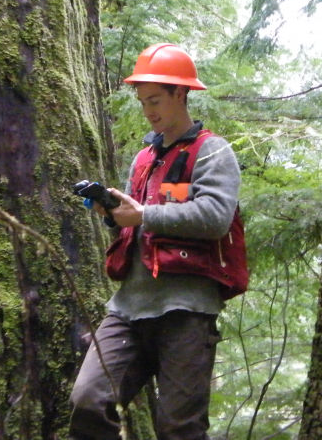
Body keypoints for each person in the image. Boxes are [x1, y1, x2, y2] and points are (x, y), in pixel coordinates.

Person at [69, 43, 247, 440]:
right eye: (143, 101)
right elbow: (138, 228)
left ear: (180, 94)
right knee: (88, 399)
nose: (149, 110)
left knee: (179, 429)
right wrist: (116, 217)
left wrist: (144, 215)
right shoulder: (144, 159)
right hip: (128, 310)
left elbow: (215, 218)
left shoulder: (212, 153)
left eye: (155, 100)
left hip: (185, 312)